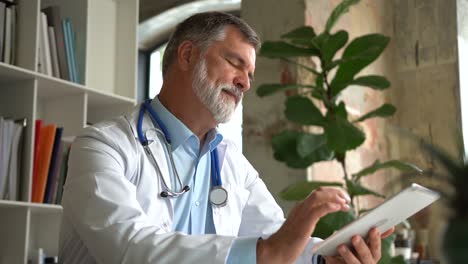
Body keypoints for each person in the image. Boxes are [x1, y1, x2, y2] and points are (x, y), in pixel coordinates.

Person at [59, 11, 393, 264]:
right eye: (235, 63)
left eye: (249, 73)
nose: (245, 83)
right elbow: (129, 246)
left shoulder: (230, 162)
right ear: (188, 55)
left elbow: (277, 240)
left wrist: (326, 256)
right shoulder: (103, 146)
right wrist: (269, 252)